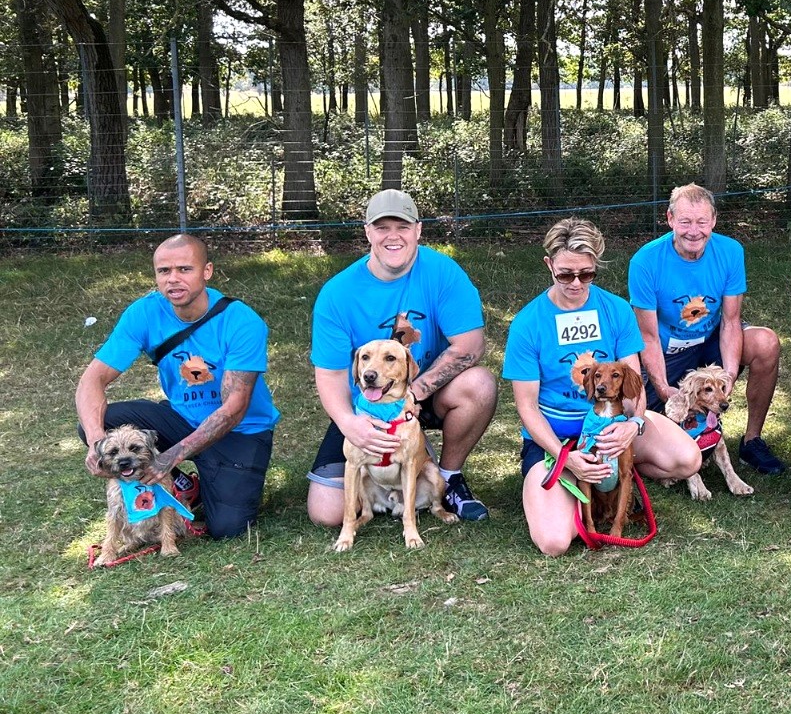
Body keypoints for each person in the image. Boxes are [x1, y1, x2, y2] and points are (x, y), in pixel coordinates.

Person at [504, 217, 702, 555]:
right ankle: (577, 479)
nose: (577, 283)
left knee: (687, 460)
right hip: (559, 438)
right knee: (554, 542)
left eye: (586, 273)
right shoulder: (527, 323)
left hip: (613, 422)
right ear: (549, 265)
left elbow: (633, 382)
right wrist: (565, 458)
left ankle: (617, 470)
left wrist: (633, 425)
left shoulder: (616, 309)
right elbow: (526, 407)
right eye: (565, 274)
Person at [307, 189, 497, 527]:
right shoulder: (337, 293)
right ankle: (400, 461)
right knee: (327, 513)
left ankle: (447, 476)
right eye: (382, 228)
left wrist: (413, 393)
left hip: (426, 396)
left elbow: (470, 346)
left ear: (418, 230)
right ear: (367, 232)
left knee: (479, 384)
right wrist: (351, 425)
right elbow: (331, 375)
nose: (393, 237)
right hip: (367, 404)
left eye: (402, 227)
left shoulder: (443, 272)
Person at [76, 234, 279, 539]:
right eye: (164, 271)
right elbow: (92, 381)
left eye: (185, 269)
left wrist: (171, 456)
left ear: (206, 271)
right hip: (182, 418)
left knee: (226, 528)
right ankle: (181, 484)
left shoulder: (241, 321)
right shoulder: (144, 313)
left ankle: (196, 481)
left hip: (241, 431)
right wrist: (96, 443)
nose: (173, 279)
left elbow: (233, 410)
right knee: (99, 423)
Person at [627, 183, 784, 473]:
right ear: (670, 219)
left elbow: (731, 321)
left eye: (702, 222)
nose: (693, 231)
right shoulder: (645, 261)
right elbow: (647, 335)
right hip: (666, 350)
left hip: (710, 340)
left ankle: (752, 442)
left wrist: (730, 376)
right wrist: (663, 388)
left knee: (766, 342)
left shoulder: (730, 251)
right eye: (685, 222)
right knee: (644, 417)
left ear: (713, 220)